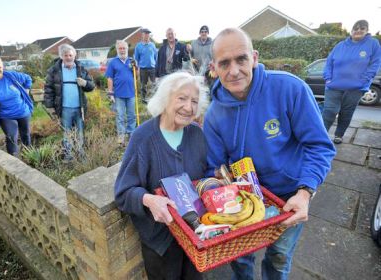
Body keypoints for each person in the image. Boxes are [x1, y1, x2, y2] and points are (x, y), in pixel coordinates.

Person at [203, 28, 336, 280]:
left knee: (278, 257)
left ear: (254, 57)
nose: (233, 70)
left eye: (241, 59)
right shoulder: (213, 115)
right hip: (244, 200)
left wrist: (305, 192)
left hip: (288, 196)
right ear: (213, 67)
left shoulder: (290, 88)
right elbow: (216, 166)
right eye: (224, 63)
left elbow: (319, 146)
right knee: (240, 258)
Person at [114, 71, 209, 280]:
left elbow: (206, 175)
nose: (189, 107)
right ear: (165, 99)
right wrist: (149, 200)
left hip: (197, 235)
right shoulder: (144, 137)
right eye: (182, 98)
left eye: (194, 101)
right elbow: (123, 192)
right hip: (161, 241)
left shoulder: (196, 134)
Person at [322, 20, 381, 144]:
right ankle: (321, 135)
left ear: (367, 30)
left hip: (356, 87)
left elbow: (375, 63)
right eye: (356, 28)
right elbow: (329, 62)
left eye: (362, 28)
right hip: (334, 85)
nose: (358, 30)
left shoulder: (373, 44)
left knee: (346, 112)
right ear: (351, 30)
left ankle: (339, 135)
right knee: (329, 111)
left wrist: (364, 80)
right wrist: (328, 78)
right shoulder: (340, 45)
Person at [44, 44, 95, 161]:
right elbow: (48, 88)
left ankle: (81, 153)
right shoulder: (54, 70)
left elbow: (91, 86)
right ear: (61, 56)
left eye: (70, 55)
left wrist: (85, 83)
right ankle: (69, 155)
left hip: (79, 107)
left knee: (80, 132)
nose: (68, 57)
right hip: (64, 108)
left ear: (74, 55)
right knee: (67, 133)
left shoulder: (80, 69)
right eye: (65, 55)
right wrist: (50, 106)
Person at [105, 40, 136, 146]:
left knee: (131, 116)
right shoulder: (113, 62)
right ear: (117, 50)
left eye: (124, 48)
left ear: (127, 49)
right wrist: (110, 93)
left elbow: (137, 76)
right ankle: (121, 137)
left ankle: (131, 135)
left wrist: (137, 68)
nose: (122, 50)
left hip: (131, 93)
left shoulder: (131, 61)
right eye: (120, 48)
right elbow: (110, 78)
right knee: (120, 117)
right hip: (118, 95)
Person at [134, 28, 158, 103]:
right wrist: (137, 69)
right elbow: (136, 58)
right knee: (143, 85)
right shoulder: (138, 46)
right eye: (145, 33)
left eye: (148, 34)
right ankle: (143, 100)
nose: (147, 35)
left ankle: (154, 99)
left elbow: (155, 57)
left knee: (154, 84)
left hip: (152, 68)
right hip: (143, 69)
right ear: (142, 35)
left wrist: (156, 66)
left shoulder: (152, 45)